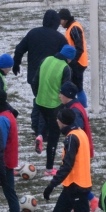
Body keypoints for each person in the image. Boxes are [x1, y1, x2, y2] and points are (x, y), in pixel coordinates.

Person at [29, 108, 99, 212]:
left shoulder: (71, 139)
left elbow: (67, 165)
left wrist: (52, 185)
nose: (56, 121)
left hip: (77, 188)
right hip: (71, 187)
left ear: (62, 121)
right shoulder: (80, 132)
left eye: (58, 119)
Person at [33, 45, 75, 175]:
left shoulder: (46, 60)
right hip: (54, 105)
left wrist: (38, 95)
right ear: (69, 58)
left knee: (43, 120)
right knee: (54, 136)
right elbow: (65, 89)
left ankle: (40, 135)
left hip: (40, 101)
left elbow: (35, 81)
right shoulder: (65, 68)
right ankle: (49, 169)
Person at [59, 81, 98, 212]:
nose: (59, 96)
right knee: (75, 180)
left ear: (67, 95)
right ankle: (78, 203)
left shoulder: (74, 110)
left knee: (76, 180)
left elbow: (77, 132)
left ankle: (92, 200)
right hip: (81, 150)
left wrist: (72, 150)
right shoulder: (76, 106)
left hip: (79, 152)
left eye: (61, 93)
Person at [13, 9, 67, 98]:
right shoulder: (60, 38)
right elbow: (67, 58)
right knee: (49, 102)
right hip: (52, 77)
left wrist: (16, 63)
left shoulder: (33, 33)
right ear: (56, 23)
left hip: (34, 76)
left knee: (38, 99)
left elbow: (19, 49)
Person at [58, 8, 89, 108]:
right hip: (77, 62)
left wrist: (73, 61)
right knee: (76, 87)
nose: (59, 23)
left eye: (60, 20)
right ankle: (80, 108)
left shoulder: (74, 28)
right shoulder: (72, 27)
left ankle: (82, 108)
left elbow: (79, 47)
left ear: (65, 19)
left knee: (78, 87)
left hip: (77, 63)